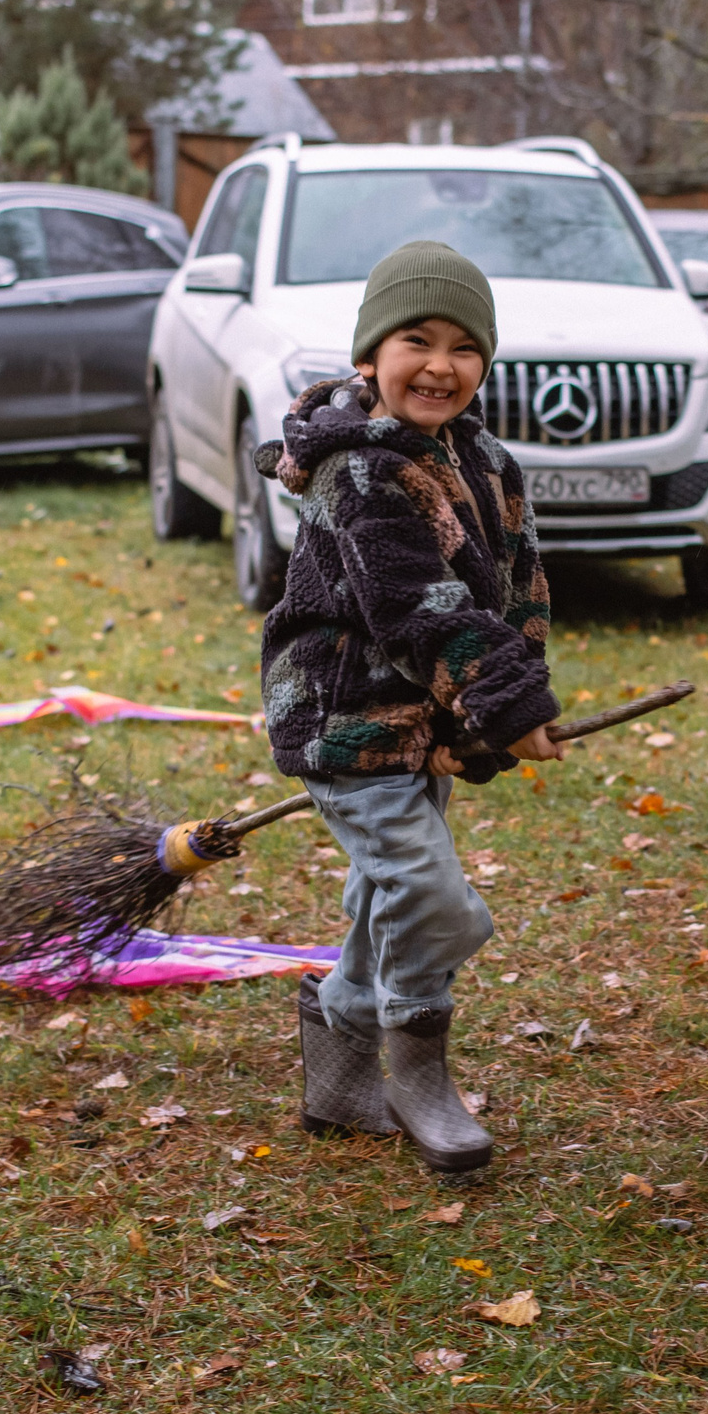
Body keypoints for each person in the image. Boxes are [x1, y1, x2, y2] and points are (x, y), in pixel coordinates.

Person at [253, 240, 566, 1173]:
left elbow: (517, 589)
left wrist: (500, 699)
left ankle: (339, 1055)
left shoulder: (486, 462)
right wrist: (505, 698)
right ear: (368, 357)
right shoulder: (358, 473)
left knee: (386, 889)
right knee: (437, 900)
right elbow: (416, 603)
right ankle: (417, 1074)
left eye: (465, 347)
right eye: (416, 340)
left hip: (428, 722)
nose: (441, 365)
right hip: (347, 719)